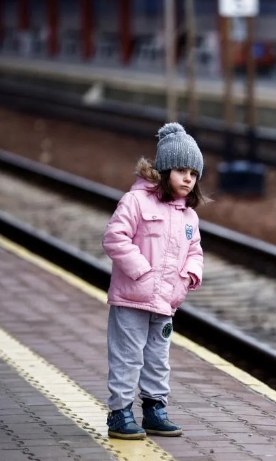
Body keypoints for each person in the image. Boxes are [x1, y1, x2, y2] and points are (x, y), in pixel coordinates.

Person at [102, 122, 208, 440]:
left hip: (165, 302)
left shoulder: (190, 216)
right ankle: (120, 413)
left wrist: (190, 274)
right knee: (127, 355)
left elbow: (195, 251)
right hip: (133, 298)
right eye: (180, 171)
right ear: (163, 171)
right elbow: (114, 237)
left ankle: (154, 408)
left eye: (193, 173)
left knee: (158, 358)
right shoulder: (136, 202)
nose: (187, 178)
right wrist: (142, 271)